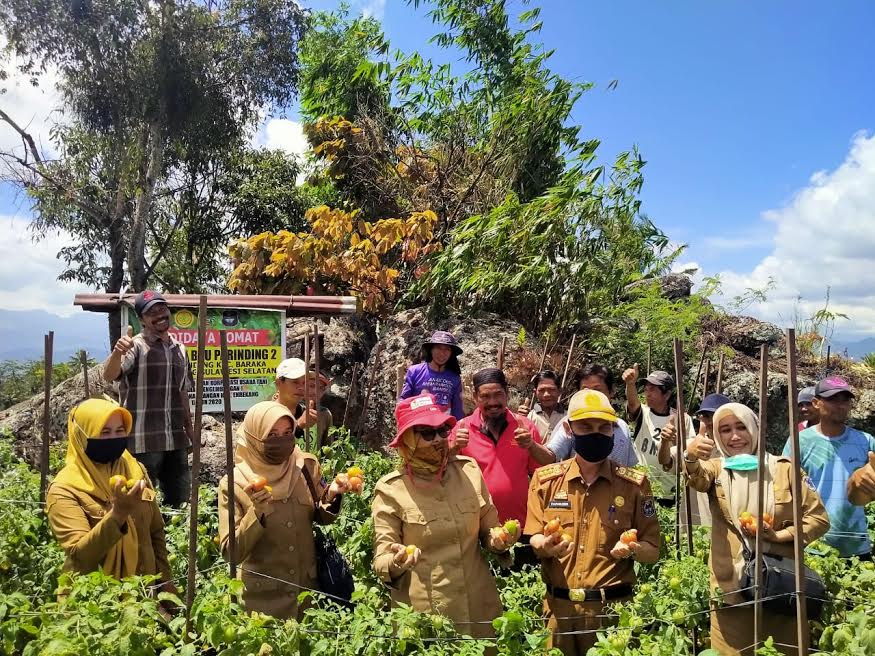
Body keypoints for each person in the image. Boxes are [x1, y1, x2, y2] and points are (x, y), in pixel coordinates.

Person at [686, 402, 829, 655]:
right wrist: (691, 456)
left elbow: (818, 519)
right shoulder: (718, 469)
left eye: (741, 427)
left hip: (780, 588)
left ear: (754, 428)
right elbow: (697, 476)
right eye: (726, 430)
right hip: (731, 590)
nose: (735, 436)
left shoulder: (785, 470)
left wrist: (779, 535)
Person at [526, 389, 661, 655]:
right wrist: (546, 545)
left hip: (611, 615)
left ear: (613, 430)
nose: (596, 433)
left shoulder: (634, 485)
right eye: (585, 426)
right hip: (558, 613)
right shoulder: (545, 480)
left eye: (604, 427)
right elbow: (534, 537)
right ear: (568, 428)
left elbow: (652, 550)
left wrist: (634, 549)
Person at [371, 394, 516, 637]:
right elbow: (381, 559)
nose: (438, 439)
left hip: (479, 608)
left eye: (442, 430)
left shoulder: (468, 471)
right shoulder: (391, 489)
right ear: (408, 440)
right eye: (427, 434)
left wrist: (499, 540)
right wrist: (396, 561)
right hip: (428, 616)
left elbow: (490, 529)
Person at [218, 401, 349, 619]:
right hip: (262, 606)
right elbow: (231, 552)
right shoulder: (235, 483)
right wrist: (257, 512)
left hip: (308, 598)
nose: (282, 441)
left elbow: (318, 514)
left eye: (288, 432)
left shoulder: (304, 466)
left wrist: (332, 495)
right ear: (254, 437)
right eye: (272, 435)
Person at [46, 399, 174, 596]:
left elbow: (156, 532)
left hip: (144, 595)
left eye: (120, 430)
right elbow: (79, 556)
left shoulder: (135, 470)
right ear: (82, 435)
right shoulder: (65, 489)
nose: (113, 438)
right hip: (96, 606)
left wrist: (165, 582)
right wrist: (118, 514)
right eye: (104, 432)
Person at [102, 290, 194, 507]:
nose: (160, 314)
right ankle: (145, 540)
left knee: (179, 500)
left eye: (162, 308)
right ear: (142, 319)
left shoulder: (179, 349)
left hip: (175, 438)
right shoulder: (135, 346)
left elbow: (183, 391)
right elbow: (109, 375)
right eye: (151, 312)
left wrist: (190, 429)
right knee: (142, 502)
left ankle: (172, 539)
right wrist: (117, 353)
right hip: (143, 440)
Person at [786, 377, 875, 559]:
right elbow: (784, 488)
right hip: (813, 546)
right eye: (833, 399)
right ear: (816, 403)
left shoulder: (865, 441)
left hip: (856, 544)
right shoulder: (799, 441)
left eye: (845, 400)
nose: (840, 405)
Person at [451, 367, 553, 525]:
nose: (492, 402)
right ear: (475, 397)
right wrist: (454, 447)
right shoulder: (461, 429)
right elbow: (440, 472)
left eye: (498, 394)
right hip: (476, 528)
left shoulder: (525, 427)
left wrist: (531, 445)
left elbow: (543, 470)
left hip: (520, 525)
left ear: (507, 393)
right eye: (485, 396)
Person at [623, 365, 695, 503]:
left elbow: (689, 452)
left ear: (667, 394)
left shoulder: (682, 419)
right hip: (640, 487)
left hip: (669, 492)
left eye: (653, 390)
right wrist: (630, 384)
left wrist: (675, 442)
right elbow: (632, 404)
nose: (647, 394)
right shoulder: (643, 413)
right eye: (646, 390)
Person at [546, 364, 638, 467]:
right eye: (585, 390)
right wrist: (530, 444)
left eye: (597, 390)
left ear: (611, 391)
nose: (591, 395)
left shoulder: (623, 427)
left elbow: (629, 468)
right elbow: (550, 456)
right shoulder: (571, 422)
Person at [399, 331, 465, 420]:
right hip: (419, 425)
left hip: (444, 429)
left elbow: (457, 408)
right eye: (438, 348)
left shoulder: (455, 378)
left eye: (447, 349)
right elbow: (404, 401)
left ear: (451, 354)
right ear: (431, 350)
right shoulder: (415, 371)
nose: (442, 353)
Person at [274, 358, 333, 448]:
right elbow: (268, 451)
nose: (301, 387)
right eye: (295, 382)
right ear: (278, 383)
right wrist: (298, 426)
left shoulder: (309, 413)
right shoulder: (263, 414)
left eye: (304, 382)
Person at [517, 370, 566, 439]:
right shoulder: (530, 417)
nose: (546, 395)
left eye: (551, 389)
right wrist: (519, 419)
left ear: (560, 391)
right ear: (535, 392)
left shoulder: (567, 418)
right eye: (541, 390)